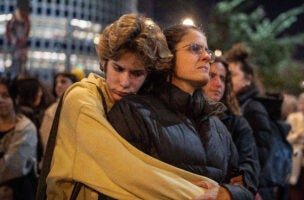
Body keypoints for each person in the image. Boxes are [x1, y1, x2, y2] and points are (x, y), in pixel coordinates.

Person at [43, 14, 218, 199]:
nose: (125, 82)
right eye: (118, 69)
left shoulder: (136, 107)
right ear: (104, 63)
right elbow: (121, 166)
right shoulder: (82, 97)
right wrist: (199, 193)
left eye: (136, 73)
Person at [108, 24, 251, 199]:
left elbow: (242, 184)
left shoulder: (217, 127)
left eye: (208, 51)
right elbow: (116, 185)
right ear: (168, 56)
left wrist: (226, 194)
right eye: (195, 48)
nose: (207, 57)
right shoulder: (133, 113)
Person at [225, 43, 292, 200]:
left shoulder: (253, 108)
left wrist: (249, 182)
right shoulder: (239, 105)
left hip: (259, 188)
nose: (227, 80)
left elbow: (260, 151)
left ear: (248, 79)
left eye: (233, 75)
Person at [201, 56, 260, 196]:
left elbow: (250, 166)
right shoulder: (183, 117)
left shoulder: (237, 124)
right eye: (212, 76)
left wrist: (228, 192)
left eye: (222, 78)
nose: (218, 84)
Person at [0, 78, 38, 200]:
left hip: (18, 192)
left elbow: (12, 167)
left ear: (15, 99)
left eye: (5, 96)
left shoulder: (26, 129)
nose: (0, 100)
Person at [286, 92, 304, 200]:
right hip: (294, 159)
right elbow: (287, 138)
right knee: (294, 189)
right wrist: (298, 135)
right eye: (302, 104)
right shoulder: (293, 118)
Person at [39, 72, 78, 155]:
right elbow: (47, 143)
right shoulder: (52, 111)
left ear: (75, 84)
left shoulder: (82, 107)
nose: (58, 85)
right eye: (56, 83)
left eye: (63, 82)